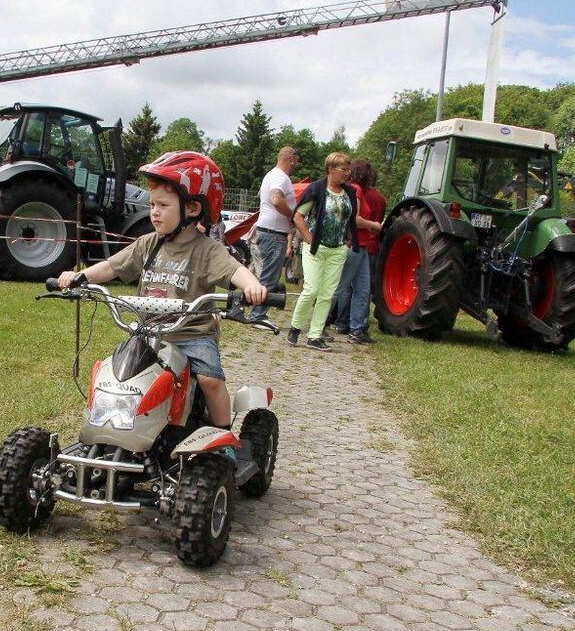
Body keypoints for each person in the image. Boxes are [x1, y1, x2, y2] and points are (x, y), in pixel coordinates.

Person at [57, 151, 268, 427]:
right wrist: (81, 276)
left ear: (192, 208)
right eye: (152, 204)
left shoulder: (206, 250)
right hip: (148, 332)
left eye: (163, 205)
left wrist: (251, 285)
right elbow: (112, 266)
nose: (154, 211)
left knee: (210, 380)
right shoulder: (148, 243)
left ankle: (222, 438)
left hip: (192, 335)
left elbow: (234, 270)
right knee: (120, 375)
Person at [288, 152, 359, 352]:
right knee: (311, 289)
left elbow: (352, 218)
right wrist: (309, 238)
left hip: (338, 250)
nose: (347, 173)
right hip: (316, 248)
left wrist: (349, 241)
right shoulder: (317, 189)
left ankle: (315, 335)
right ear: (330, 170)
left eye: (348, 169)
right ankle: (295, 327)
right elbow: (298, 216)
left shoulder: (349, 193)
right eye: (343, 169)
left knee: (327, 294)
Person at [331, 160, 383, 344]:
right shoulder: (356, 190)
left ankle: (357, 329)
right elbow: (355, 219)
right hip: (355, 245)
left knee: (362, 289)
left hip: (361, 247)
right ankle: (320, 324)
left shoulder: (353, 189)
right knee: (341, 287)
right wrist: (374, 225)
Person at [249, 146, 299, 325]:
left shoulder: (271, 174)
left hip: (268, 232)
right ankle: (257, 316)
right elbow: (276, 199)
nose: (296, 165)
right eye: (296, 161)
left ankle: (258, 313)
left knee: (266, 276)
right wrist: (292, 215)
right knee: (269, 278)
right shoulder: (281, 177)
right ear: (291, 158)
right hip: (274, 234)